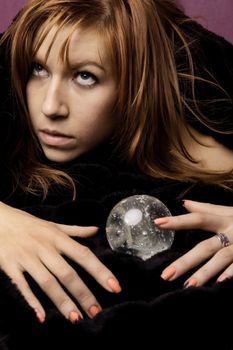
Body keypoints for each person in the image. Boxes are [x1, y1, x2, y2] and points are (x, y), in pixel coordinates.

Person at [0, 0, 233, 327]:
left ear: (135, 83)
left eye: (84, 76)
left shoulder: (204, 140)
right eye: (38, 69)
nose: (50, 107)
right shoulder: (13, 120)